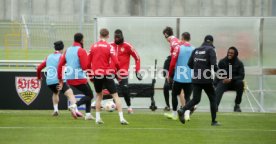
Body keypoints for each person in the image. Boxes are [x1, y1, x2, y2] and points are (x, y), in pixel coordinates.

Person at [177, 35, 220, 126]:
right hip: (206, 79)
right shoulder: (211, 50)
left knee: (196, 99)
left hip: (196, 78)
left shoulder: (196, 50)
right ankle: (213, 121)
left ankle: (182, 110)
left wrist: (197, 70)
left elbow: (189, 64)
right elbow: (214, 65)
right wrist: (221, 73)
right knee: (213, 98)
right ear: (212, 42)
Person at [88, 28, 128, 125]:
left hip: (97, 74)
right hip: (107, 74)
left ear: (99, 35)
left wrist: (90, 75)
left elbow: (88, 63)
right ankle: (121, 118)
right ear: (108, 36)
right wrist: (118, 72)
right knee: (115, 96)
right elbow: (116, 62)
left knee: (99, 96)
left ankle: (98, 119)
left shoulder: (93, 46)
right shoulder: (110, 47)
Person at [57, 33, 94, 120]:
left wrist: (60, 79)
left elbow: (60, 65)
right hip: (79, 77)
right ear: (81, 40)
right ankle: (74, 106)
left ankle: (88, 114)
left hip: (69, 78)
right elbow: (85, 67)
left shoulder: (67, 50)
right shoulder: (81, 50)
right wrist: (91, 76)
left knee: (88, 93)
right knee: (90, 95)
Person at [36, 41, 78, 118]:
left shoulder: (48, 57)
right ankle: (76, 110)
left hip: (49, 81)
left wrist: (39, 78)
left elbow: (39, 68)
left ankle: (55, 110)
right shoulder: (62, 57)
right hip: (58, 80)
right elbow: (62, 68)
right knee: (70, 94)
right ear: (62, 48)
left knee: (55, 93)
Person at [110, 29, 142, 114]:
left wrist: (137, 71)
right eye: (115, 38)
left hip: (122, 72)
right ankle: (103, 104)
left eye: (118, 38)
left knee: (124, 88)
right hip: (111, 72)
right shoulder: (110, 45)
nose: (116, 39)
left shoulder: (127, 46)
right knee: (102, 86)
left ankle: (129, 107)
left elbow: (137, 58)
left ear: (122, 37)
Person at [168, 32, 195, 120]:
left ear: (182, 38)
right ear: (189, 39)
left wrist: (169, 74)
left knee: (174, 94)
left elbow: (172, 63)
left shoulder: (178, 48)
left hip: (179, 77)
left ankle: (175, 113)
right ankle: (187, 114)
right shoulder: (194, 49)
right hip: (189, 77)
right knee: (187, 96)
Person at [162, 26, 186, 118]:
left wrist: (170, 73)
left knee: (176, 92)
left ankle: (177, 113)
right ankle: (185, 110)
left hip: (177, 68)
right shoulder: (177, 41)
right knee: (180, 92)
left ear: (165, 34)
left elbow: (174, 57)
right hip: (181, 67)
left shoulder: (173, 41)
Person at [215, 46, 245, 112]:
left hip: (234, 83)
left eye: (231, 53)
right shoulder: (222, 61)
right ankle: (215, 106)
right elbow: (218, 74)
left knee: (240, 83)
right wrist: (215, 84)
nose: (229, 54)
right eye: (228, 52)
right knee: (220, 85)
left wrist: (231, 79)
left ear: (235, 54)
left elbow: (241, 76)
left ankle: (237, 105)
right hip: (225, 82)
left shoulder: (239, 63)